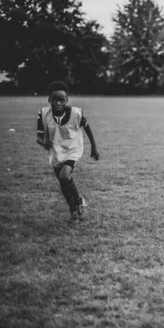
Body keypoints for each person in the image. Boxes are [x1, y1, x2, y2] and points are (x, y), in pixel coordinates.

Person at [37, 81, 99, 222]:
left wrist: (94, 147)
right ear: (49, 100)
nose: (58, 103)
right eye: (55, 100)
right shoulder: (43, 114)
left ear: (67, 100)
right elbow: (38, 138)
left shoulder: (76, 113)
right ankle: (73, 210)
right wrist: (44, 144)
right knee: (63, 183)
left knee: (65, 176)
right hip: (56, 152)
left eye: (61, 100)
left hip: (73, 149)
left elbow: (87, 128)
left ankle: (79, 201)